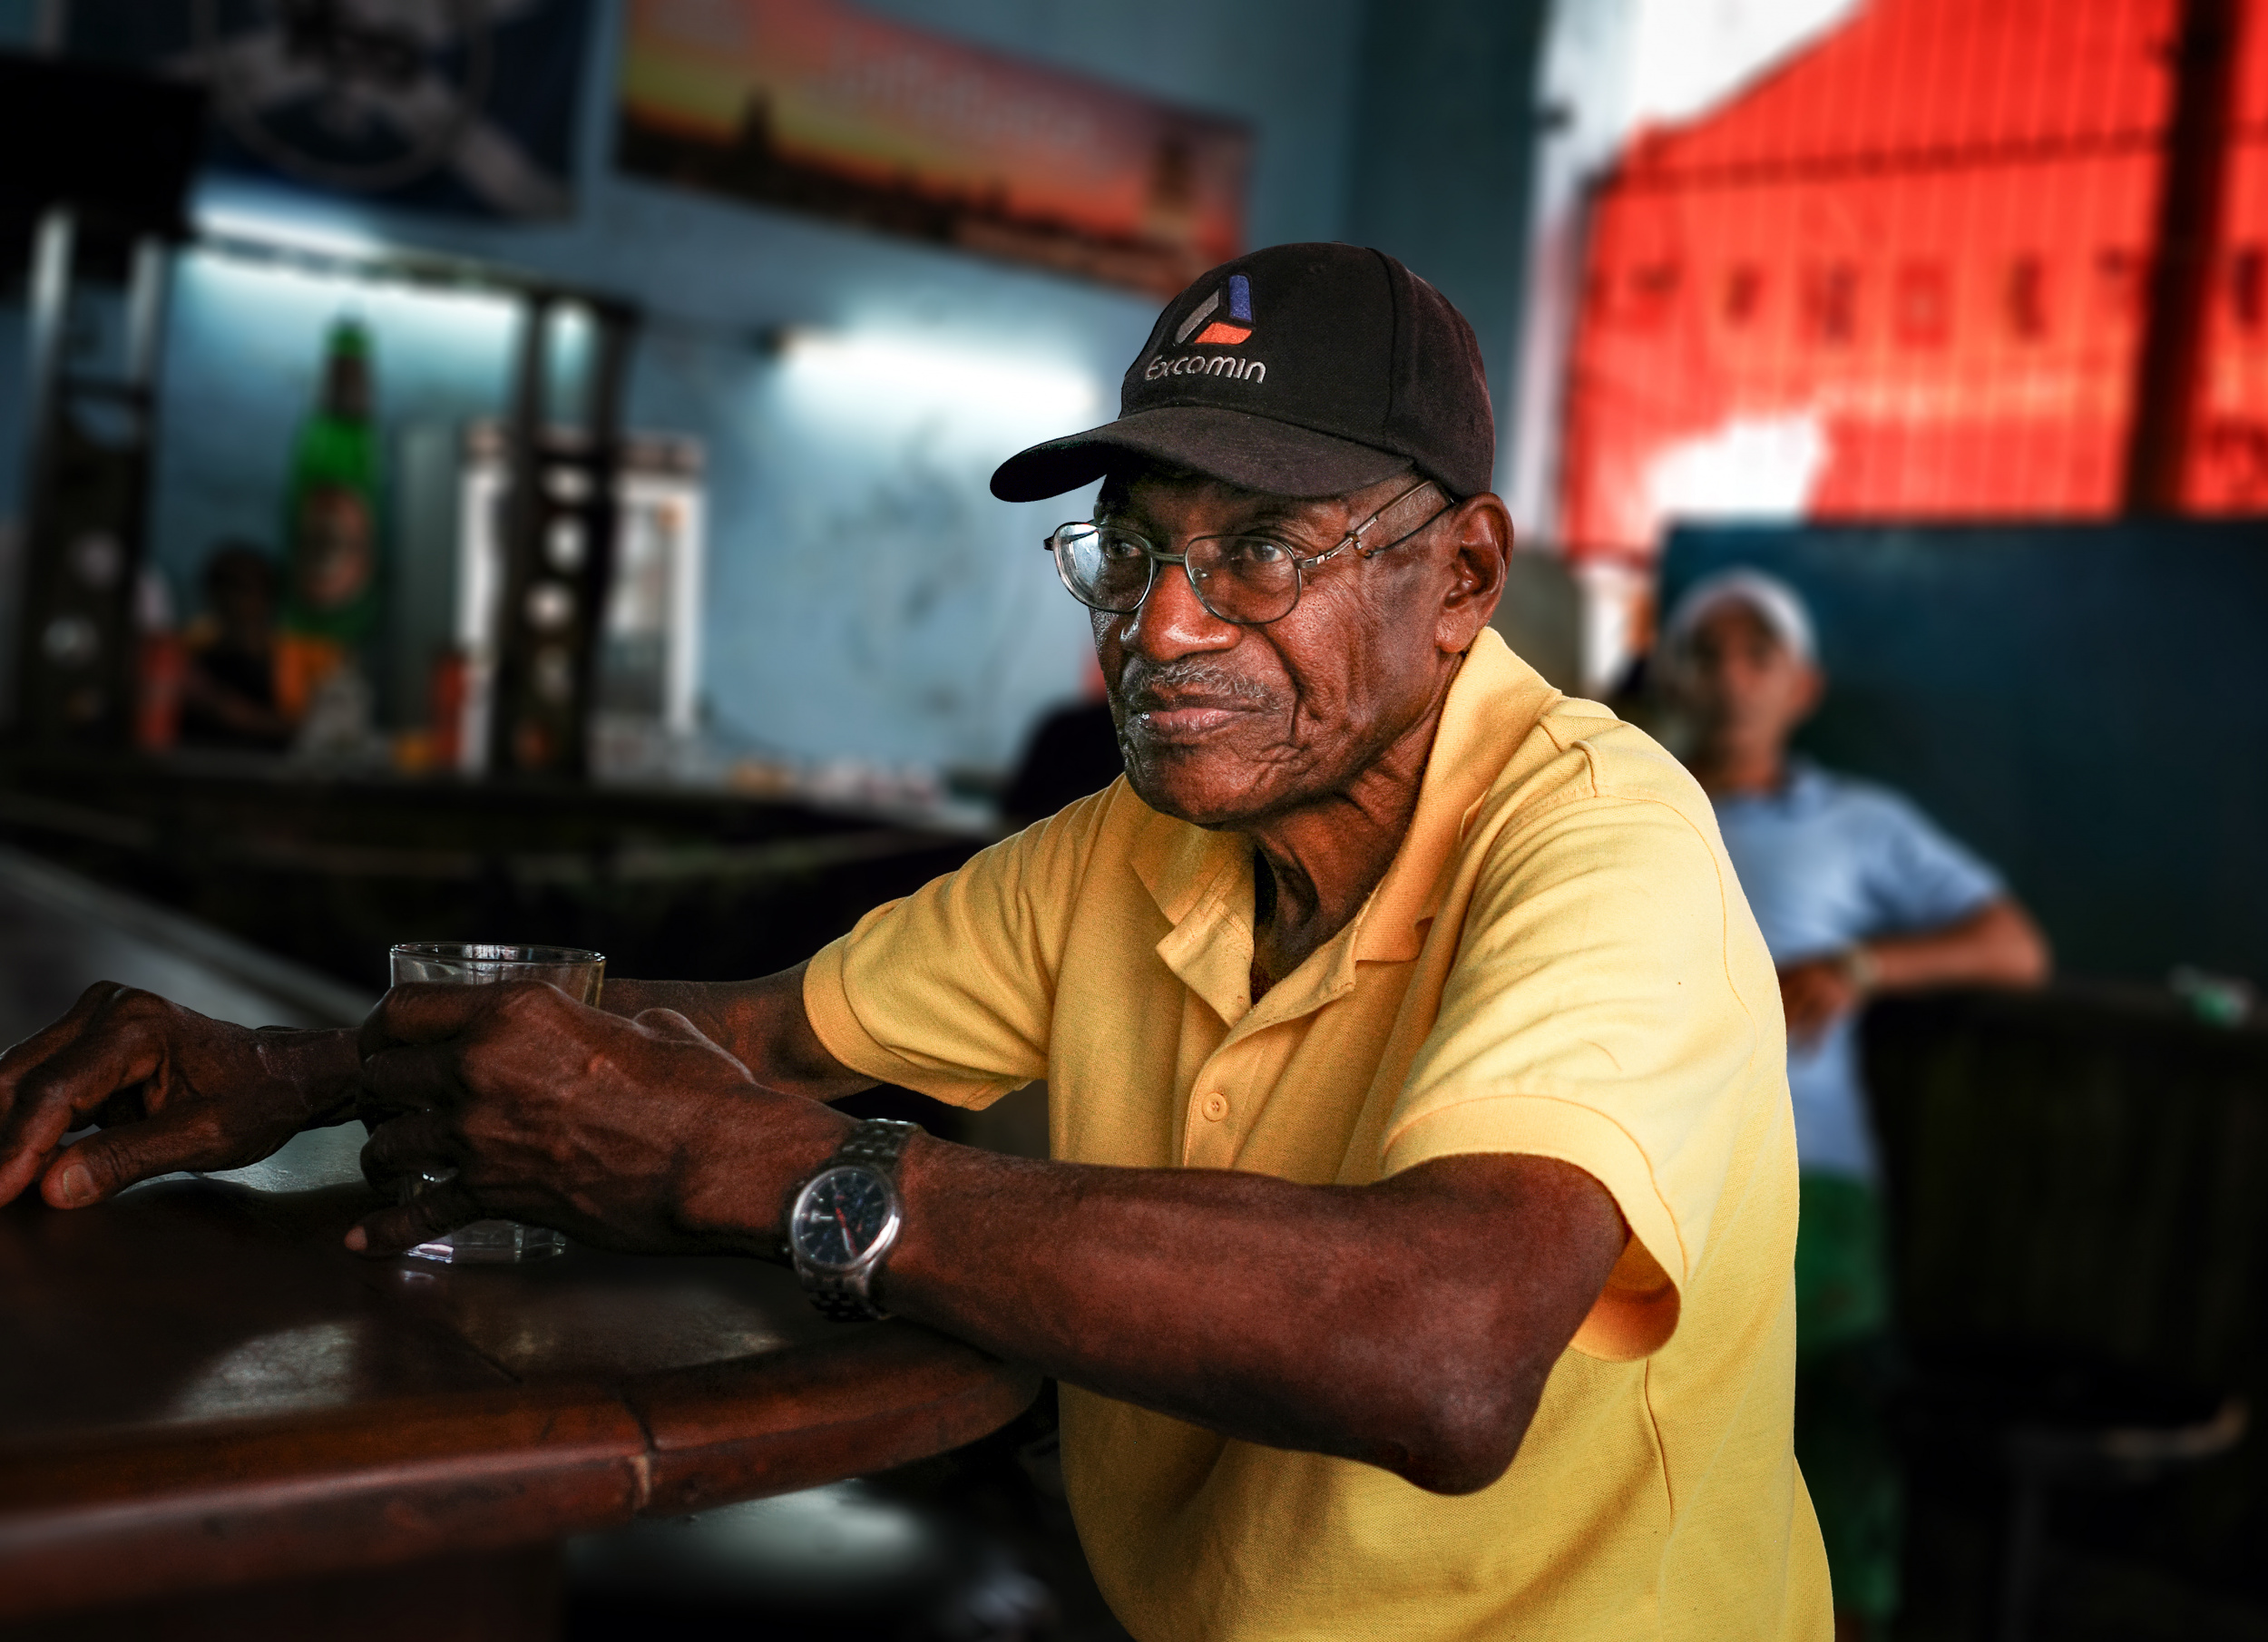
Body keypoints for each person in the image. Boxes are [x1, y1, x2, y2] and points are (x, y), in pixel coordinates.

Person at [0, 245, 1831, 1641]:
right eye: (1130, 554)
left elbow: (1445, 1349)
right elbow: (750, 1040)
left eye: (1262, 550)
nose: (1161, 628)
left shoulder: (1602, 846)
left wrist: (780, 1176)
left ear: (1462, 578)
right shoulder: (1132, 852)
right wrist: (293, 1071)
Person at [1661, 568, 2050, 1641]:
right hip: (1657, 1171)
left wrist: (1861, 965)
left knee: (1829, 1426)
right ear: (1671, 678)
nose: (1731, 677)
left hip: (1812, 1176)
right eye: (1705, 653)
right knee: (1656, 1433)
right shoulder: (1629, 802)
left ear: (1803, 687)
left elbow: (2014, 947)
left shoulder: (1855, 823)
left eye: (1758, 654)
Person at [178, 542, 295, 751]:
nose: (232, 601)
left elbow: (308, 730)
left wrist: (222, 707)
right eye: (222, 587)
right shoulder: (198, 662)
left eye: (242, 589)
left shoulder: (290, 665)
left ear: (267, 597)